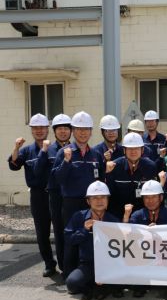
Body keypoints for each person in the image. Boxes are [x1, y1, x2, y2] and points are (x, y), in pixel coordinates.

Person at [53, 111, 105, 277]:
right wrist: (67, 162)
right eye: (79, 129)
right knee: (71, 238)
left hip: (91, 204)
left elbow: (101, 179)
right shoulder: (64, 152)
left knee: (91, 237)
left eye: (86, 129)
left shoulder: (96, 154)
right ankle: (69, 272)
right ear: (73, 131)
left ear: (91, 132)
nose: (83, 132)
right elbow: (57, 179)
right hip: (71, 203)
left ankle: (91, 272)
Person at [8, 113, 57, 277]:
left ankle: (65, 262)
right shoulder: (27, 150)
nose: (39, 131)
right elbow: (14, 164)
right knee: (42, 232)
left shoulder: (55, 148)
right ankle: (49, 264)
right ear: (31, 130)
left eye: (42, 127)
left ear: (47, 129)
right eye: (35, 128)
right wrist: (16, 147)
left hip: (55, 194)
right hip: (37, 195)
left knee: (59, 229)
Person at [64, 181, 119, 300]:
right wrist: (83, 229)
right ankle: (92, 287)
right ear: (88, 201)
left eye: (103, 197)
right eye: (94, 198)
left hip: (109, 264)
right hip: (88, 264)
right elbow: (69, 239)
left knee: (123, 282)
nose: (99, 201)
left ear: (108, 200)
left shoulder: (113, 220)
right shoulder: (78, 217)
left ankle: (103, 286)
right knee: (72, 283)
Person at [33, 113, 72, 275]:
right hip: (55, 195)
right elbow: (37, 171)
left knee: (71, 230)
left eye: (66, 128)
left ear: (71, 131)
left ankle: (73, 264)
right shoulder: (48, 150)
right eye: (60, 129)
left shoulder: (76, 148)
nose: (63, 132)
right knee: (58, 231)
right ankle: (62, 266)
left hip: (71, 195)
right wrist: (43, 151)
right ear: (54, 131)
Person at [105, 132, 158, 220]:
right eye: (130, 149)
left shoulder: (150, 167)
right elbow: (110, 194)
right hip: (118, 214)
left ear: (142, 150)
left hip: (142, 217)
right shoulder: (115, 166)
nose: (133, 151)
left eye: (136, 148)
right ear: (124, 150)